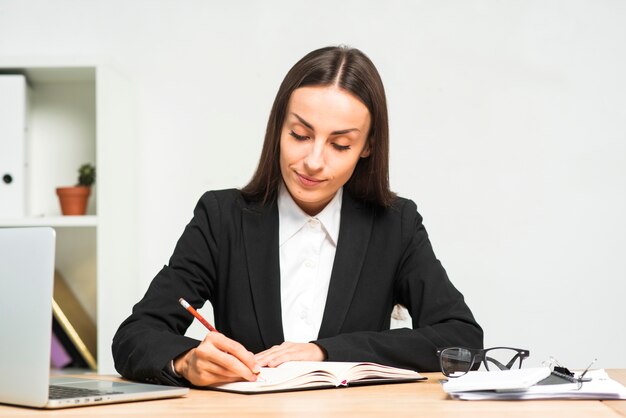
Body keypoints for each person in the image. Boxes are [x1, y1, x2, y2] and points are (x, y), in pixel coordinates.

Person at [112, 45, 483, 387]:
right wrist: (185, 361)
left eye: (340, 145)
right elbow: (135, 335)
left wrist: (325, 353)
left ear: (367, 146)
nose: (314, 161)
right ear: (278, 129)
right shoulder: (221, 218)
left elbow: (461, 339)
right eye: (300, 134)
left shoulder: (395, 225)